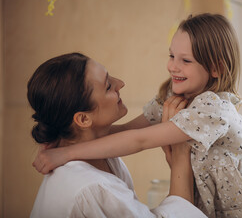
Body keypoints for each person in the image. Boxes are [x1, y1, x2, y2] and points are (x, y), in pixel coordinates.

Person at [33, 14, 242, 218]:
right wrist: (65, 135)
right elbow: (130, 131)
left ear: (215, 68)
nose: (172, 66)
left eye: (185, 60)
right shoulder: (174, 96)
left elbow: (140, 140)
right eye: (171, 55)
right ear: (81, 119)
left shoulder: (213, 109)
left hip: (241, 203)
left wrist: (67, 153)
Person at [28, 53, 206, 218]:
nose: (120, 83)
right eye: (107, 86)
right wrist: (181, 153)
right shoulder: (93, 188)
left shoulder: (96, 153)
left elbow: (131, 133)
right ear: (83, 119)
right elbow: (139, 139)